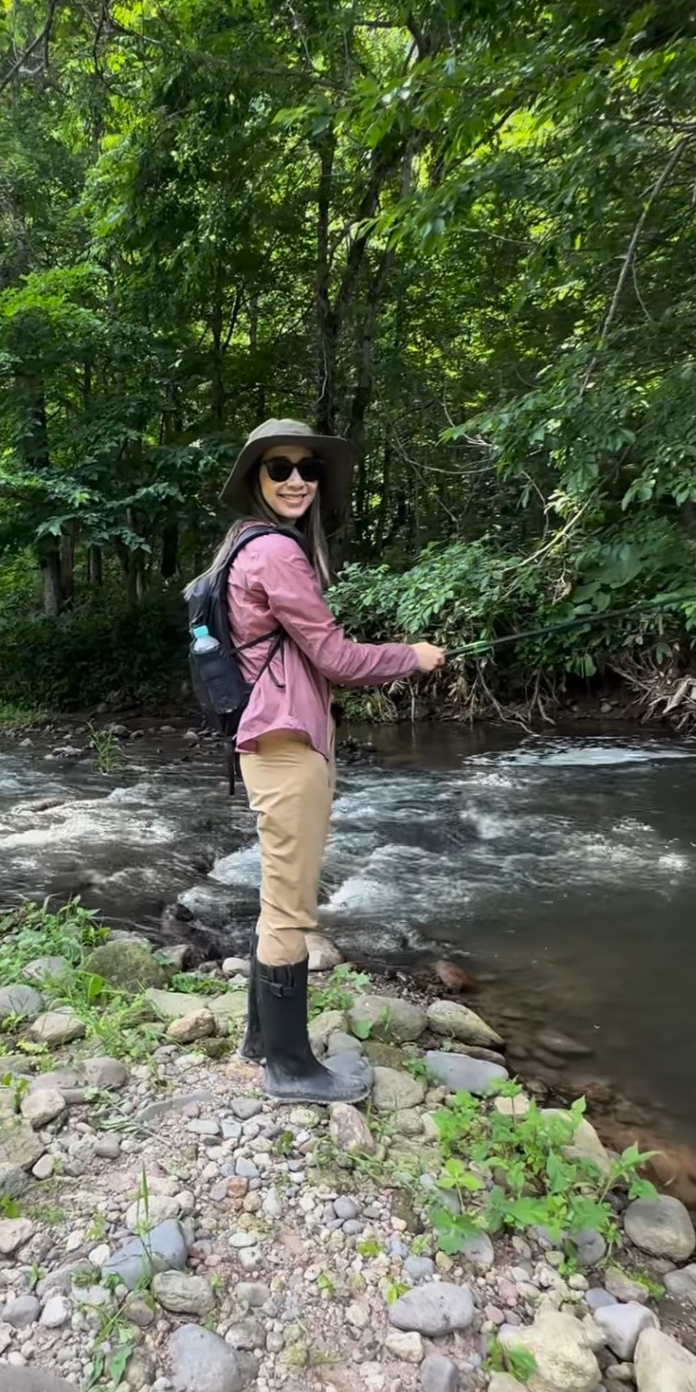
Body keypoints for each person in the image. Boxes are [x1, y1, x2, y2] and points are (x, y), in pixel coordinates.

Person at [214, 417, 445, 1105]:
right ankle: (290, 1067)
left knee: (275, 897)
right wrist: (414, 656)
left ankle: (262, 1042)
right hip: (287, 747)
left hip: (266, 742)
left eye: (306, 468)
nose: (295, 479)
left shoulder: (240, 548)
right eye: (278, 467)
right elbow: (337, 658)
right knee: (290, 909)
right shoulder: (277, 553)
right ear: (257, 478)